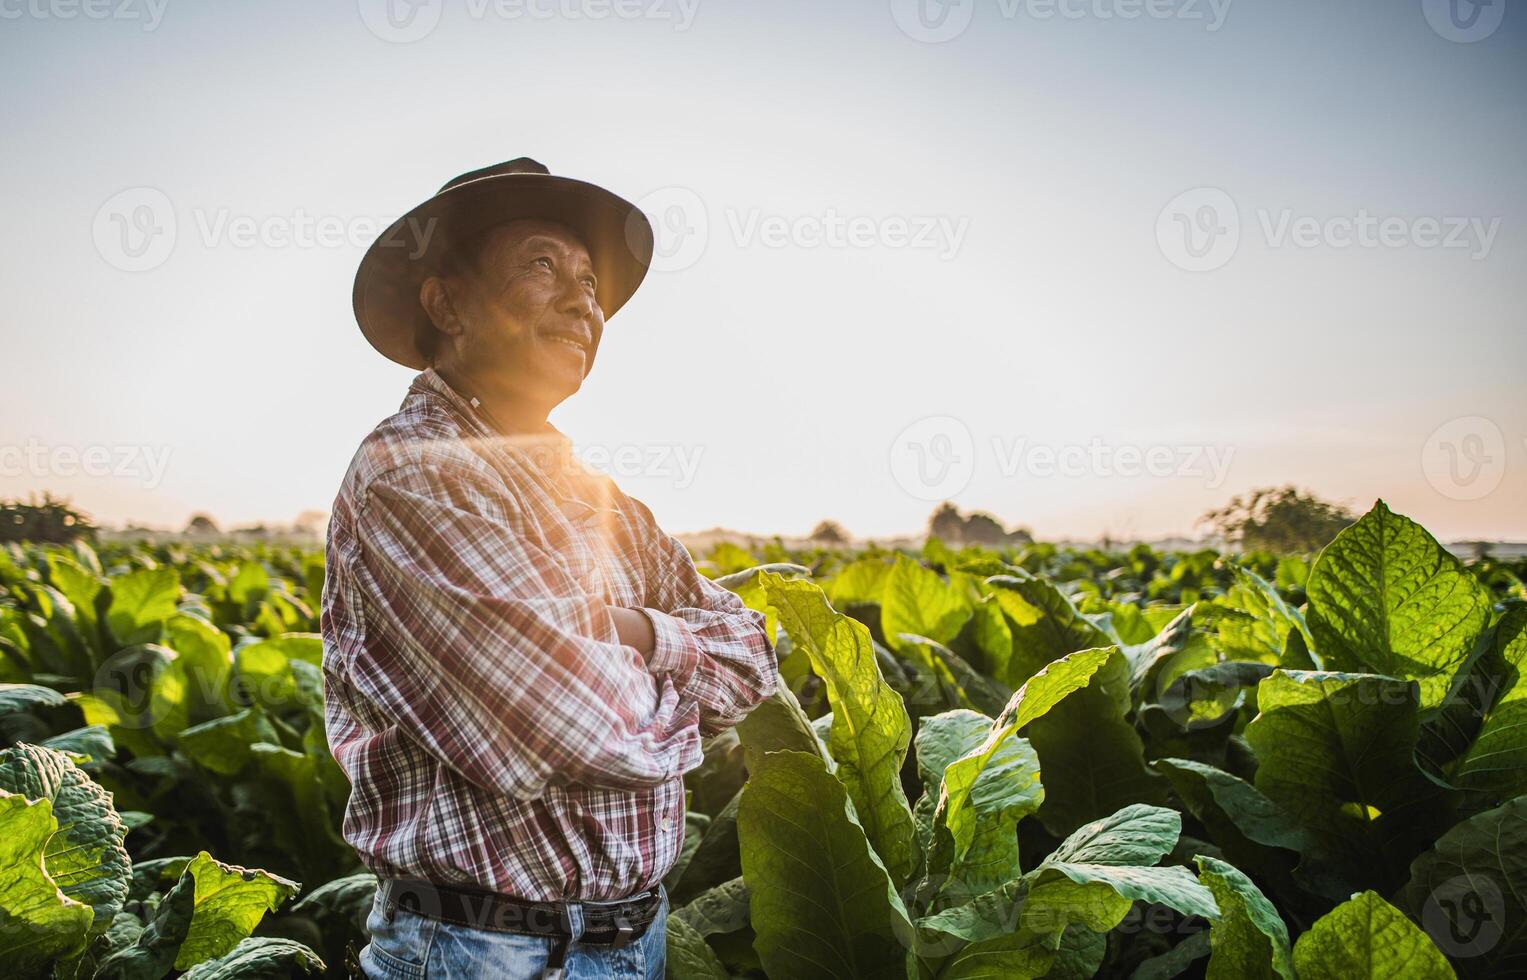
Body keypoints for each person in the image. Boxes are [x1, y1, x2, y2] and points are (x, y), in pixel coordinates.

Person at [321, 158, 778, 979]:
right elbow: (573, 720)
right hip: (482, 951)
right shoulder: (413, 472)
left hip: (633, 944)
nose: (582, 303)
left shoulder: (596, 494)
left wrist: (637, 634)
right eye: (540, 265)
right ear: (446, 303)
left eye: (590, 282)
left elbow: (755, 655)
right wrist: (673, 673)